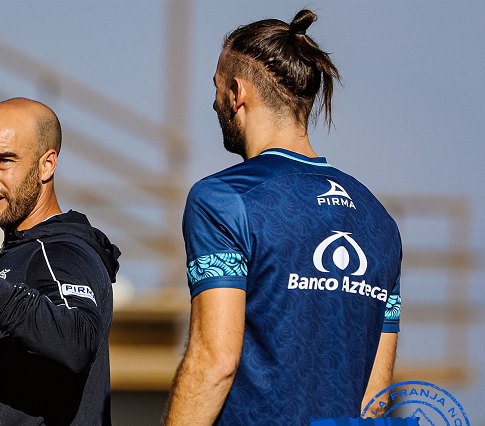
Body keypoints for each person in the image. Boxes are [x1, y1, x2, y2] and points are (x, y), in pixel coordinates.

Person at [164, 10, 401, 425]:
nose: (215, 102)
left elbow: (214, 361)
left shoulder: (223, 198)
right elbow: (375, 396)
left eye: (217, 88)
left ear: (237, 93)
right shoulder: (380, 221)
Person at [0, 97, 120, 425]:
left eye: (4, 161)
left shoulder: (61, 252)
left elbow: (77, 342)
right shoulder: (22, 252)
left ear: (47, 165)